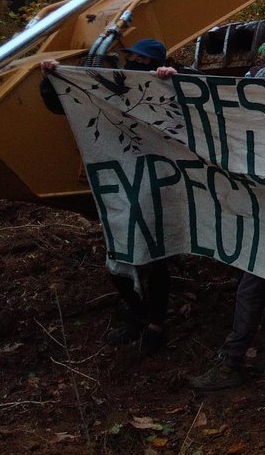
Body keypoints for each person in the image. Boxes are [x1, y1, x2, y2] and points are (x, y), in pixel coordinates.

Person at [42, 38, 174, 355]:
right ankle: (138, 315)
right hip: (118, 181)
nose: (135, 65)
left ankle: (155, 324)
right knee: (118, 253)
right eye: (132, 59)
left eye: (142, 61)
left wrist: (175, 76)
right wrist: (50, 79)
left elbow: (197, 95)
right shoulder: (107, 87)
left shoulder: (164, 84)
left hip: (154, 183)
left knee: (155, 255)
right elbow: (63, 101)